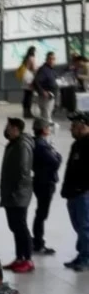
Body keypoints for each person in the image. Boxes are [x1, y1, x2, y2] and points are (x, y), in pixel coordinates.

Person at [0, 117, 36, 273]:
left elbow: (23, 172)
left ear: (15, 129)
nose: (6, 130)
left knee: (21, 227)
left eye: (8, 127)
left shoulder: (22, 146)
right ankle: (19, 257)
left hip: (18, 195)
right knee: (14, 226)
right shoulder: (13, 144)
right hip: (11, 194)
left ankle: (28, 259)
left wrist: (16, 192)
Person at [31, 117, 61, 257]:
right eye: (48, 128)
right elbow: (55, 162)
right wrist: (57, 154)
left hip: (40, 180)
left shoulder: (36, 143)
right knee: (42, 214)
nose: (49, 130)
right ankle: (38, 241)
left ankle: (37, 240)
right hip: (45, 182)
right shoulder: (42, 145)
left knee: (41, 213)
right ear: (44, 130)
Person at [65, 112, 89, 271]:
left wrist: (83, 188)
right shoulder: (77, 144)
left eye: (74, 126)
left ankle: (85, 258)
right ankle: (81, 254)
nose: (71, 129)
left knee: (85, 227)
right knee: (78, 226)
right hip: (73, 192)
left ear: (83, 126)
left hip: (83, 193)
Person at [34, 51, 60, 122]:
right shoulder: (43, 70)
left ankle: (45, 129)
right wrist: (42, 92)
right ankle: (45, 130)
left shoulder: (51, 70)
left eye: (53, 59)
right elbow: (36, 82)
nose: (52, 61)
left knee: (46, 116)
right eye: (50, 59)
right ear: (46, 59)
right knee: (46, 117)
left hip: (51, 96)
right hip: (46, 97)